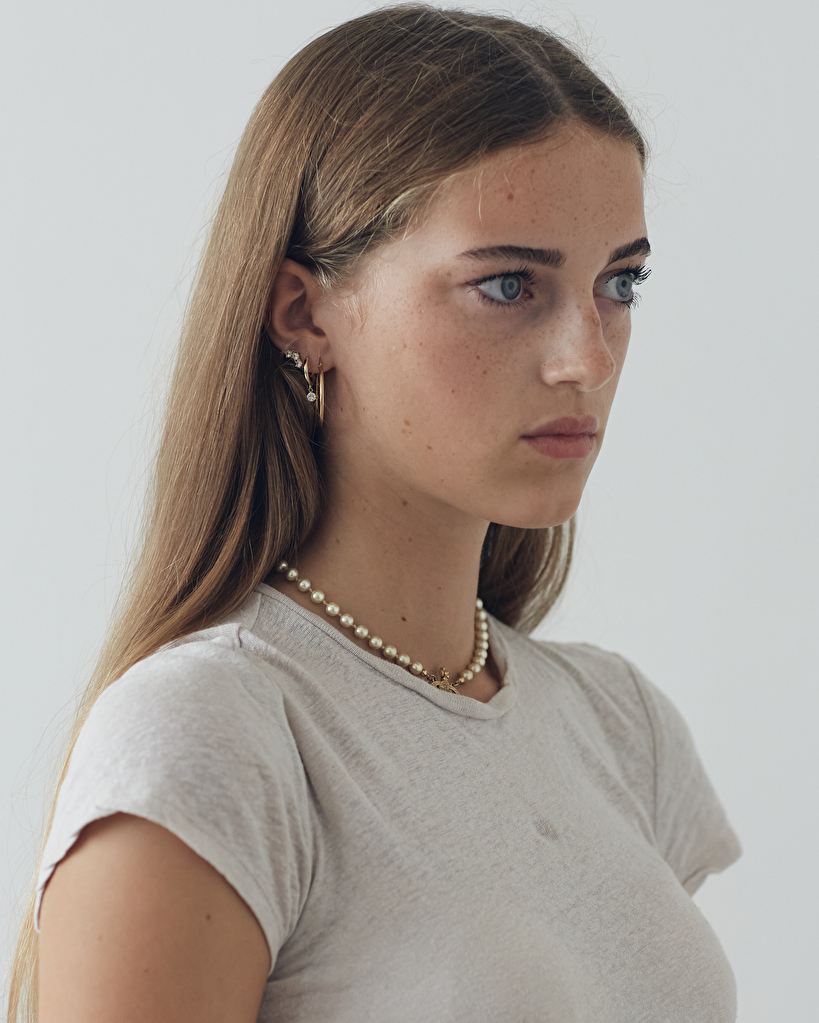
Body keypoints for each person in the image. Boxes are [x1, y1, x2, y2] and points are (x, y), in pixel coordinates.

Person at [8, 4, 742, 1021]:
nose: (587, 356)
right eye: (507, 285)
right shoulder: (215, 735)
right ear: (304, 313)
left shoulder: (620, 728)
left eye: (620, 282)